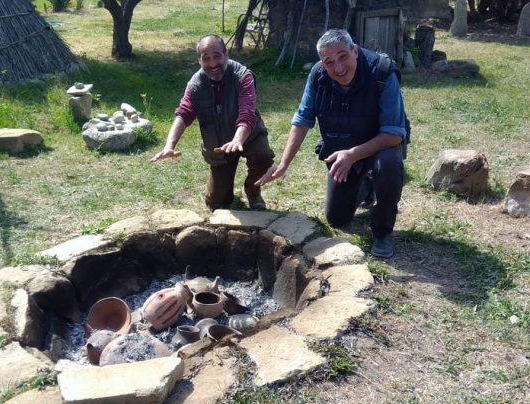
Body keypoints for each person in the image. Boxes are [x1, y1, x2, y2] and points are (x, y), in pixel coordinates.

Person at [255, 29, 407, 258]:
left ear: (354, 50)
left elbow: (394, 134)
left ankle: (382, 232)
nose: (338, 68)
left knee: (388, 164)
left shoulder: (382, 72)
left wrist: (353, 154)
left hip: (380, 146)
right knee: (337, 219)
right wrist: (283, 164)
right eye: (329, 62)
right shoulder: (318, 76)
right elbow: (302, 121)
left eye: (343, 56)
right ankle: (366, 186)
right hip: (341, 148)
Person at [151, 34, 274, 211]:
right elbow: (184, 113)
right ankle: (224, 192)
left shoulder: (243, 76)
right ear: (199, 60)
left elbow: (247, 113)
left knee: (263, 156)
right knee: (217, 204)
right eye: (206, 58)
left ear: (226, 54)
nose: (213, 63)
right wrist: (169, 145)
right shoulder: (195, 84)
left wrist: (238, 140)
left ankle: (253, 191)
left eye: (217, 56)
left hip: (249, 135)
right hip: (218, 145)